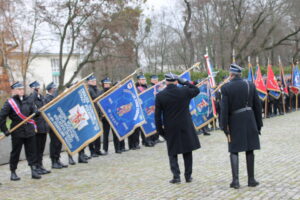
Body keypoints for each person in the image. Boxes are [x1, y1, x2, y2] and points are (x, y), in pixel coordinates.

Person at [220, 64, 262, 189]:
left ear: (231, 74)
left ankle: (236, 181)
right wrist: (258, 125)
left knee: (234, 150)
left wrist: (224, 127)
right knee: (250, 149)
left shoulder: (226, 87)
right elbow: (257, 106)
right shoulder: (250, 84)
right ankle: (251, 179)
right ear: (240, 74)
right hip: (250, 119)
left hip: (235, 121)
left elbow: (224, 109)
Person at [155, 73, 201, 184]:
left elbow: (157, 116)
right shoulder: (184, 91)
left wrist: (161, 131)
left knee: (172, 152)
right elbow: (196, 89)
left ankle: (176, 176)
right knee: (187, 151)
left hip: (170, 127)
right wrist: (184, 82)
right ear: (176, 81)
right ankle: (188, 176)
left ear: (166, 82)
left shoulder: (160, 95)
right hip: (185, 125)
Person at [0, 81, 41, 180]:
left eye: (22, 89)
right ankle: (13, 172)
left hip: (29, 130)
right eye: (19, 89)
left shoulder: (29, 100)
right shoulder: (10, 102)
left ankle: (33, 170)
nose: (21, 91)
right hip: (17, 131)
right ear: (13, 90)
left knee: (32, 151)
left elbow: (33, 112)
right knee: (16, 152)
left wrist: (36, 112)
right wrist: (5, 130)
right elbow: (1, 117)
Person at [28, 81, 51, 175]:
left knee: (41, 148)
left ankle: (40, 165)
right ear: (32, 89)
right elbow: (30, 107)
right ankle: (36, 166)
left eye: (38, 87)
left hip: (44, 127)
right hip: (37, 127)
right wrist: (34, 93)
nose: (38, 89)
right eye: (35, 88)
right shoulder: (31, 98)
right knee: (36, 149)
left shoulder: (42, 98)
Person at [45, 82, 68, 169]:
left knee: (59, 143)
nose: (55, 90)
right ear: (50, 89)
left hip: (58, 123)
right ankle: (53, 161)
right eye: (54, 88)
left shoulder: (54, 97)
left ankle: (58, 159)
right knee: (54, 143)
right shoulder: (47, 98)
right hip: (52, 124)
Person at [100, 77, 122, 154]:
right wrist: (101, 114)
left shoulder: (113, 92)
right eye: (105, 83)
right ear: (103, 84)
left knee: (115, 133)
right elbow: (98, 105)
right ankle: (105, 149)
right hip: (105, 116)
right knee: (106, 133)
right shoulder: (101, 93)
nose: (107, 85)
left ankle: (117, 148)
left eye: (108, 83)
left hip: (114, 115)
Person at [86, 75, 105, 157]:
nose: (94, 82)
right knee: (92, 133)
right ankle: (92, 151)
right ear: (88, 82)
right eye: (92, 81)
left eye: (94, 81)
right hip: (91, 114)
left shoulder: (96, 89)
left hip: (98, 113)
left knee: (98, 133)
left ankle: (97, 149)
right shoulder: (88, 90)